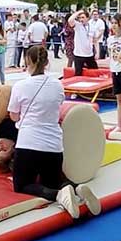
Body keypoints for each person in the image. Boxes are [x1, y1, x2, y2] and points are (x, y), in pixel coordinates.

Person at [9, 45, 99, 219]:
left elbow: (13, 116)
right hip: (53, 144)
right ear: (46, 62)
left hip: (29, 142)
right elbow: (57, 107)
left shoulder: (20, 86)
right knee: (54, 180)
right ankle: (75, 188)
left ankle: (58, 196)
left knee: (22, 184)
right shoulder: (57, 85)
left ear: (28, 62)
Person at [68, 9, 98, 76]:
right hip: (79, 54)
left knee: (95, 71)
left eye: (83, 17)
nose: (81, 19)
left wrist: (97, 52)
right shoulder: (77, 26)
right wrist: (79, 12)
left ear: (87, 18)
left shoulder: (92, 27)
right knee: (78, 74)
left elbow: (95, 41)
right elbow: (70, 20)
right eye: (80, 18)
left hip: (89, 54)